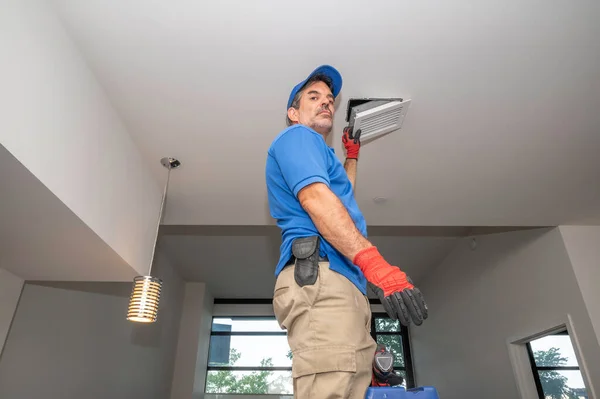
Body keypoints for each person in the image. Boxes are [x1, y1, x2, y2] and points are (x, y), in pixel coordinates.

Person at [265, 65, 428, 399]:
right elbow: (317, 199)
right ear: (293, 113)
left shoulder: (316, 151)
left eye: (329, 100)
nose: (326, 103)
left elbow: (341, 199)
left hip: (339, 279)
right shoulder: (298, 137)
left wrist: (351, 159)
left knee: (348, 382)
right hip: (322, 276)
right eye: (314, 97)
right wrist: (376, 266)